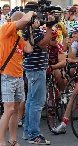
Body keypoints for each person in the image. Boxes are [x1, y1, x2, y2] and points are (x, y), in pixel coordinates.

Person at [0, 11, 35, 146]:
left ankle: (12, 140)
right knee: (9, 109)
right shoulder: (6, 28)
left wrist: (30, 30)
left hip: (19, 76)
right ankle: (1, 142)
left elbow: (29, 49)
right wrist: (31, 11)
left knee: (17, 109)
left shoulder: (18, 37)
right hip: (8, 76)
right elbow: (24, 20)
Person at [22, 15, 56, 145]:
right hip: (36, 69)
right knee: (37, 103)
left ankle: (28, 132)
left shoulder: (30, 29)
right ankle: (34, 134)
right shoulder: (33, 29)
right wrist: (49, 28)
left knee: (31, 101)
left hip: (33, 69)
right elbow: (42, 44)